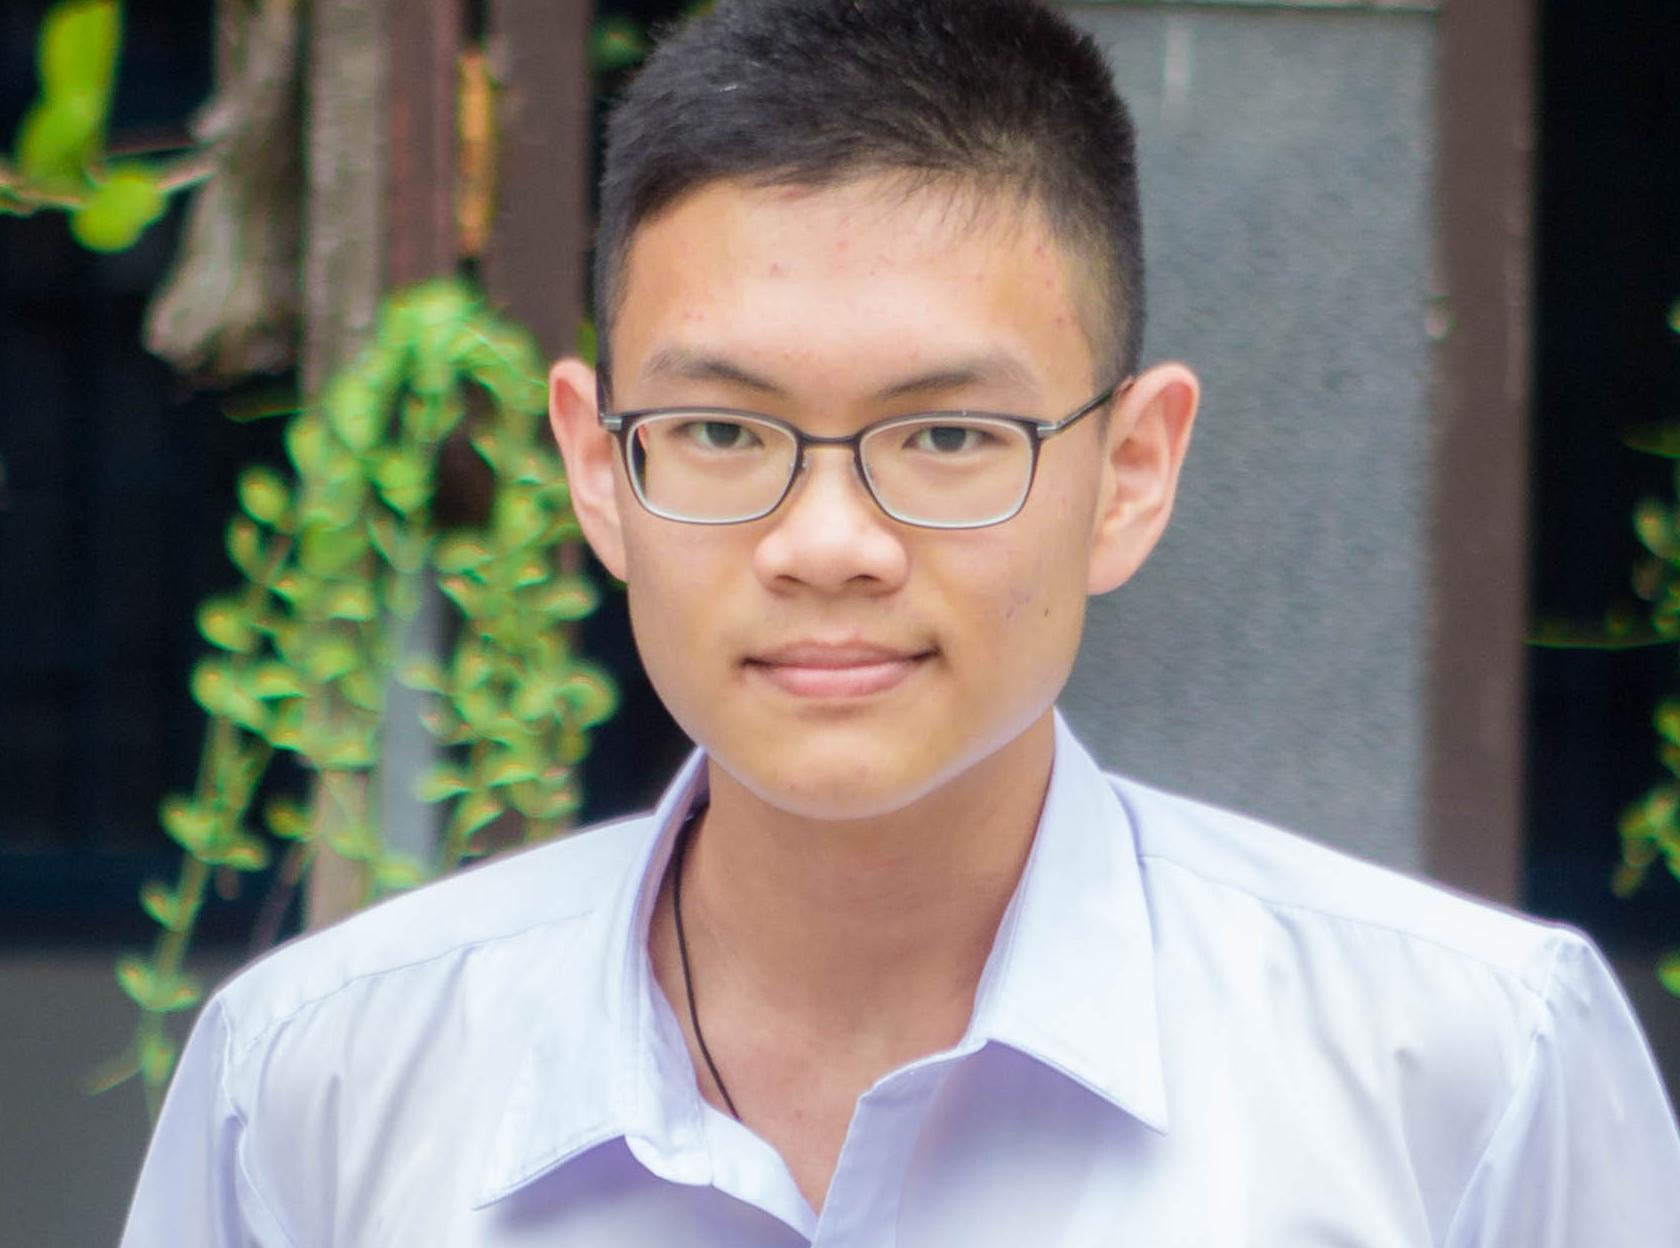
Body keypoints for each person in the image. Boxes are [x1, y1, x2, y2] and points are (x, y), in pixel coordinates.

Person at [122, 1, 1680, 1243]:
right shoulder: (321, 1086)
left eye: (945, 436)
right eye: (722, 432)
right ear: (598, 469)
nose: (828, 545)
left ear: (1131, 473)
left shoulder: (1465, 1073)